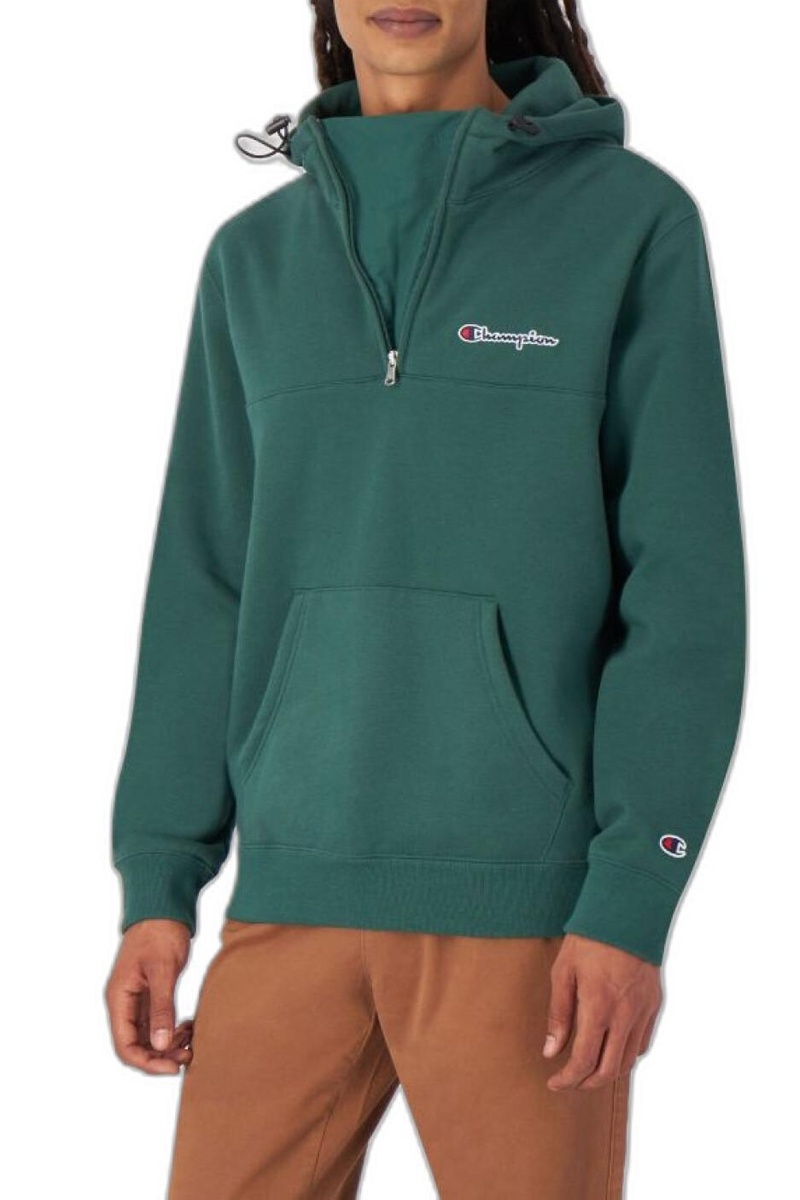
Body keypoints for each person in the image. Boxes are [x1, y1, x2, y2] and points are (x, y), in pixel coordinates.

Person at [104, 1, 746, 1196]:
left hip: (528, 916)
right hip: (287, 895)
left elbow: (683, 590)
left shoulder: (628, 222)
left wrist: (631, 895)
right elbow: (201, 586)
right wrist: (158, 882)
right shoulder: (252, 258)